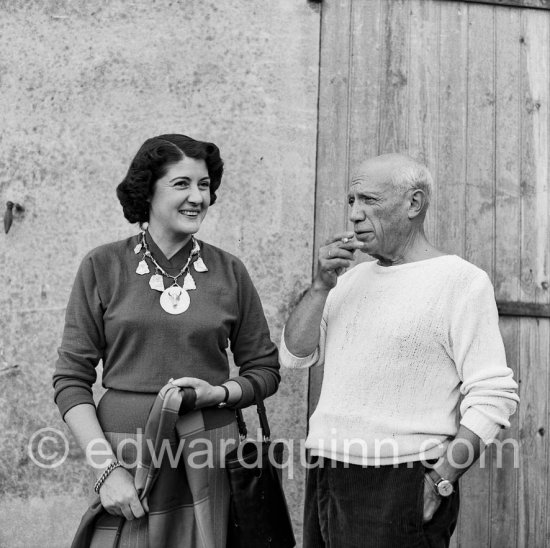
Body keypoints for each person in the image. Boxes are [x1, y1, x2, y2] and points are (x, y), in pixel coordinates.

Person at [280, 153, 519, 548]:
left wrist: (440, 479)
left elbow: (493, 397)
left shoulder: (461, 281)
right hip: (326, 470)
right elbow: (294, 355)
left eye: (369, 200)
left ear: (414, 204)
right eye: (351, 201)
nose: (355, 214)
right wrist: (321, 285)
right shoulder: (348, 280)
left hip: (400, 478)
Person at [53, 134, 280, 547]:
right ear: (148, 190)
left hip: (209, 455)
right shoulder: (103, 265)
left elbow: (264, 370)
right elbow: (71, 380)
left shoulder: (230, 271)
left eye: (205, 185)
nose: (198, 197)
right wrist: (106, 471)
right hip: (127, 458)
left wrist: (220, 392)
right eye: (182, 184)